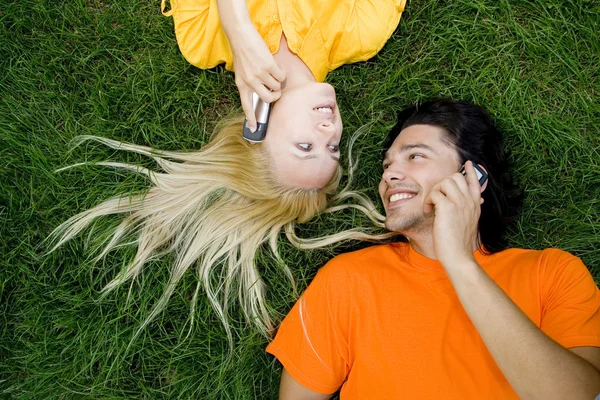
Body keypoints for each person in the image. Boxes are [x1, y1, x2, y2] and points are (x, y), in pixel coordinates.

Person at [48, 0, 405, 341]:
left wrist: (238, 30)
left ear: (257, 133)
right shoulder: (363, 30)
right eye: (332, 149)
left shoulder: (203, 38)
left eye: (304, 147)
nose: (330, 132)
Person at [266, 100, 600, 398]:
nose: (390, 175)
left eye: (415, 156)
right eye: (387, 165)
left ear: (474, 177)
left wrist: (458, 262)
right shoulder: (348, 279)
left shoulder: (553, 274)